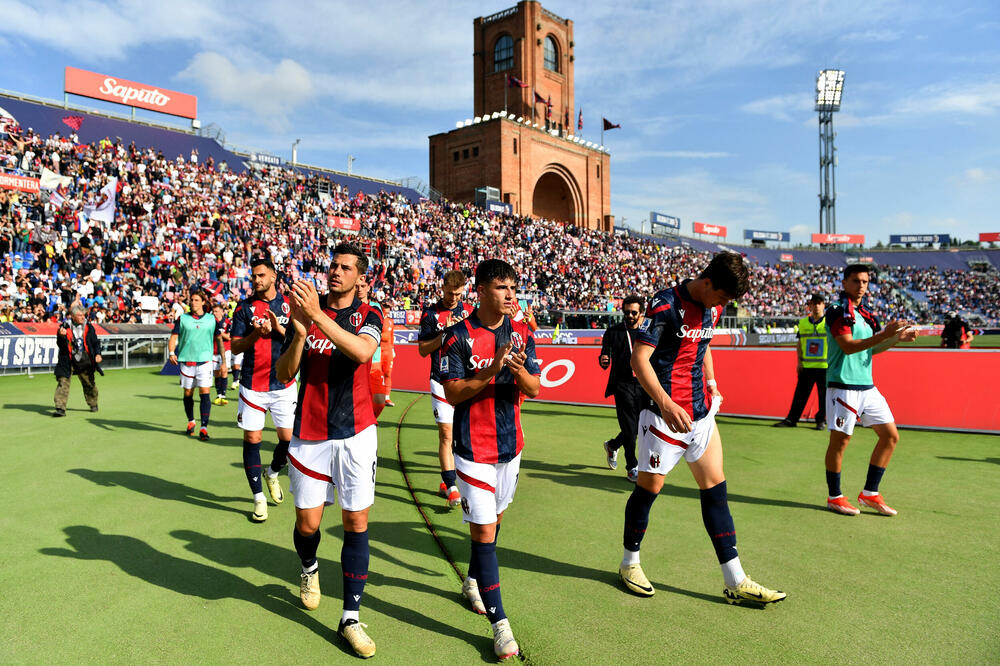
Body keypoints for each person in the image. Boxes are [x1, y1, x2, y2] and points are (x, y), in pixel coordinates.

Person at [619, 252, 786, 606]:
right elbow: (639, 360)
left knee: (715, 489)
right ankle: (629, 563)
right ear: (707, 282)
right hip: (664, 417)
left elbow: (703, 345)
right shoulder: (665, 304)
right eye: (723, 297)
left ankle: (735, 579)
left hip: (701, 415)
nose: (723, 305)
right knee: (649, 491)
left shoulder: (714, 307)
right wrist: (666, 404)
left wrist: (711, 380)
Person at [276, 243, 383, 658]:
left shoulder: (369, 315)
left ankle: (351, 618)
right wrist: (300, 335)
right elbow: (285, 374)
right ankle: (309, 568)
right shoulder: (303, 313)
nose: (335, 272)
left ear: (360, 276)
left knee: (356, 523)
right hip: (309, 433)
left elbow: (361, 352)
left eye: (345, 267)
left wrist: (317, 317)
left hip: (356, 434)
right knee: (307, 525)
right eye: (332, 266)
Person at [440, 259, 540, 661]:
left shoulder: (522, 334)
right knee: (484, 534)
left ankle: (472, 580)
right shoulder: (457, 337)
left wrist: (516, 371)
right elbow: (453, 393)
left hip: (510, 448)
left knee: (494, 524)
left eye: (513, 288)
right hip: (471, 451)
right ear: (481, 290)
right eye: (502, 288)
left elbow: (534, 388)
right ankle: (501, 627)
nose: (510, 295)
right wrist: (490, 371)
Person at [823, 264, 916, 517]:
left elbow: (870, 349)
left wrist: (895, 339)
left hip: (867, 386)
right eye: (856, 281)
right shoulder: (836, 311)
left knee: (890, 436)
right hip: (843, 387)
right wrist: (884, 334)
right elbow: (849, 347)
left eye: (865, 281)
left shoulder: (864, 313)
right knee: (840, 442)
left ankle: (870, 493)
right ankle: (835, 497)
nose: (861, 286)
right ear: (844, 283)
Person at [230, 256, 295, 523]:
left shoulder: (289, 305)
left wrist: (277, 329)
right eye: (253, 276)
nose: (256, 280)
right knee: (252, 440)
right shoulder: (244, 308)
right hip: (252, 385)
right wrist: (257, 333)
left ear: (273, 276)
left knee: (289, 440)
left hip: (283, 383)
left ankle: (273, 472)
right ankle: (258, 498)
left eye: (261, 275)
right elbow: (235, 347)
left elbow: (298, 338)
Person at [417, 269, 475, 508]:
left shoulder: (470, 312)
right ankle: (451, 485)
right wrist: (444, 334)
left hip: (465, 380)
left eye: (458, 294)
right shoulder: (431, 314)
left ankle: (450, 478)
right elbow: (422, 350)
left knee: (463, 436)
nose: (453, 298)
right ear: (442, 289)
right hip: (440, 379)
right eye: (450, 293)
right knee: (446, 434)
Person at [598, 295, 645, 481]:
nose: (630, 315)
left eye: (634, 312)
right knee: (630, 428)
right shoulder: (613, 332)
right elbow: (604, 357)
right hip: (622, 385)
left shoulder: (648, 331)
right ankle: (632, 466)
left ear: (641, 313)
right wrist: (603, 361)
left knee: (637, 428)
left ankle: (613, 445)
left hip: (644, 384)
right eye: (627, 312)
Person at [168, 290, 222, 441]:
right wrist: (172, 352)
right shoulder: (183, 319)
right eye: (191, 300)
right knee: (188, 394)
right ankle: (191, 421)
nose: (193, 302)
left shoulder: (211, 319)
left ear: (203, 302)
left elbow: (218, 340)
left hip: (205, 362)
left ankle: (204, 427)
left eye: (196, 300)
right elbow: (173, 337)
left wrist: (223, 361)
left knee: (205, 392)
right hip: (186, 362)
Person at [773, 294, 828, 429]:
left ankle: (821, 420)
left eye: (819, 303)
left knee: (824, 396)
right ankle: (792, 420)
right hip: (807, 366)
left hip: (825, 366)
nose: (816, 306)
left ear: (823, 305)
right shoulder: (803, 323)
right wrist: (799, 361)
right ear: (810, 305)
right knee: (800, 395)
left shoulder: (829, 323)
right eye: (814, 303)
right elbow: (799, 343)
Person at [53, 305, 102, 416]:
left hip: (84, 358)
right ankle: (60, 408)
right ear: (73, 316)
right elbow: (60, 344)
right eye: (80, 315)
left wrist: (98, 354)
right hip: (67, 359)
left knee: (89, 383)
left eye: (83, 315)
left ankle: (93, 403)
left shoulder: (89, 327)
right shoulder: (64, 326)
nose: (82, 317)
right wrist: (61, 336)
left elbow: (95, 343)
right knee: (63, 382)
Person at [357, 274, 389, 418]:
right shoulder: (349, 306)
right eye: (356, 286)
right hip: (355, 359)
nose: (359, 289)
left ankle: (368, 421)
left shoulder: (375, 307)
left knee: (379, 401)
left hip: (374, 360)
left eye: (363, 286)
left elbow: (380, 330)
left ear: (368, 288)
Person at [210, 303, 230, 406]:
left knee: (224, 370)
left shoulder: (227, 322)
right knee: (217, 373)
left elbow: (229, 337)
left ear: (222, 312)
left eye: (217, 311)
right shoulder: (211, 322)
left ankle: (223, 395)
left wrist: (218, 333)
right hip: (213, 350)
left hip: (225, 350)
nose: (215, 313)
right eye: (214, 311)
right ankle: (218, 394)